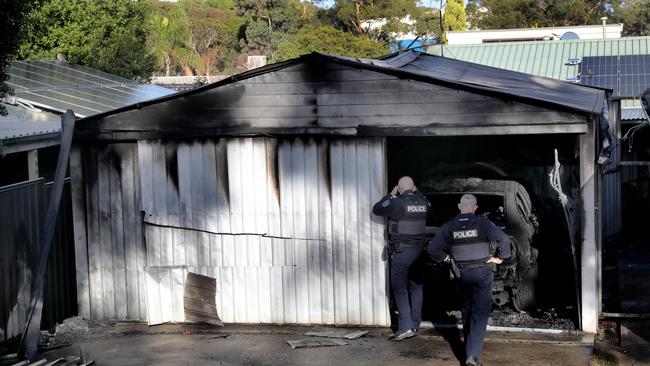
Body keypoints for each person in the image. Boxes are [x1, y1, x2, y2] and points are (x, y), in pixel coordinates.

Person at [427, 194, 510, 366]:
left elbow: (432, 248)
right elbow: (503, 238)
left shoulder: (449, 226)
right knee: (480, 313)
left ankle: (468, 350)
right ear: (475, 208)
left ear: (459, 206)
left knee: (466, 309)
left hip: (461, 274)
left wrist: (448, 260)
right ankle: (472, 355)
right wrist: (500, 258)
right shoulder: (484, 224)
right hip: (482, 272)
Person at [373, 176, 431, 341]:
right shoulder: (424, 203)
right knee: (416, 287)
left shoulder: (396, 202)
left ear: (398, 189)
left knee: (399, 289)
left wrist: (390, 196)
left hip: (402, 253)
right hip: (420, 252)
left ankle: (405, 327)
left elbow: (377, 209)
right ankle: (414, 324)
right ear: (413, 188)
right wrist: (416, 191)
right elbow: (427, 202)